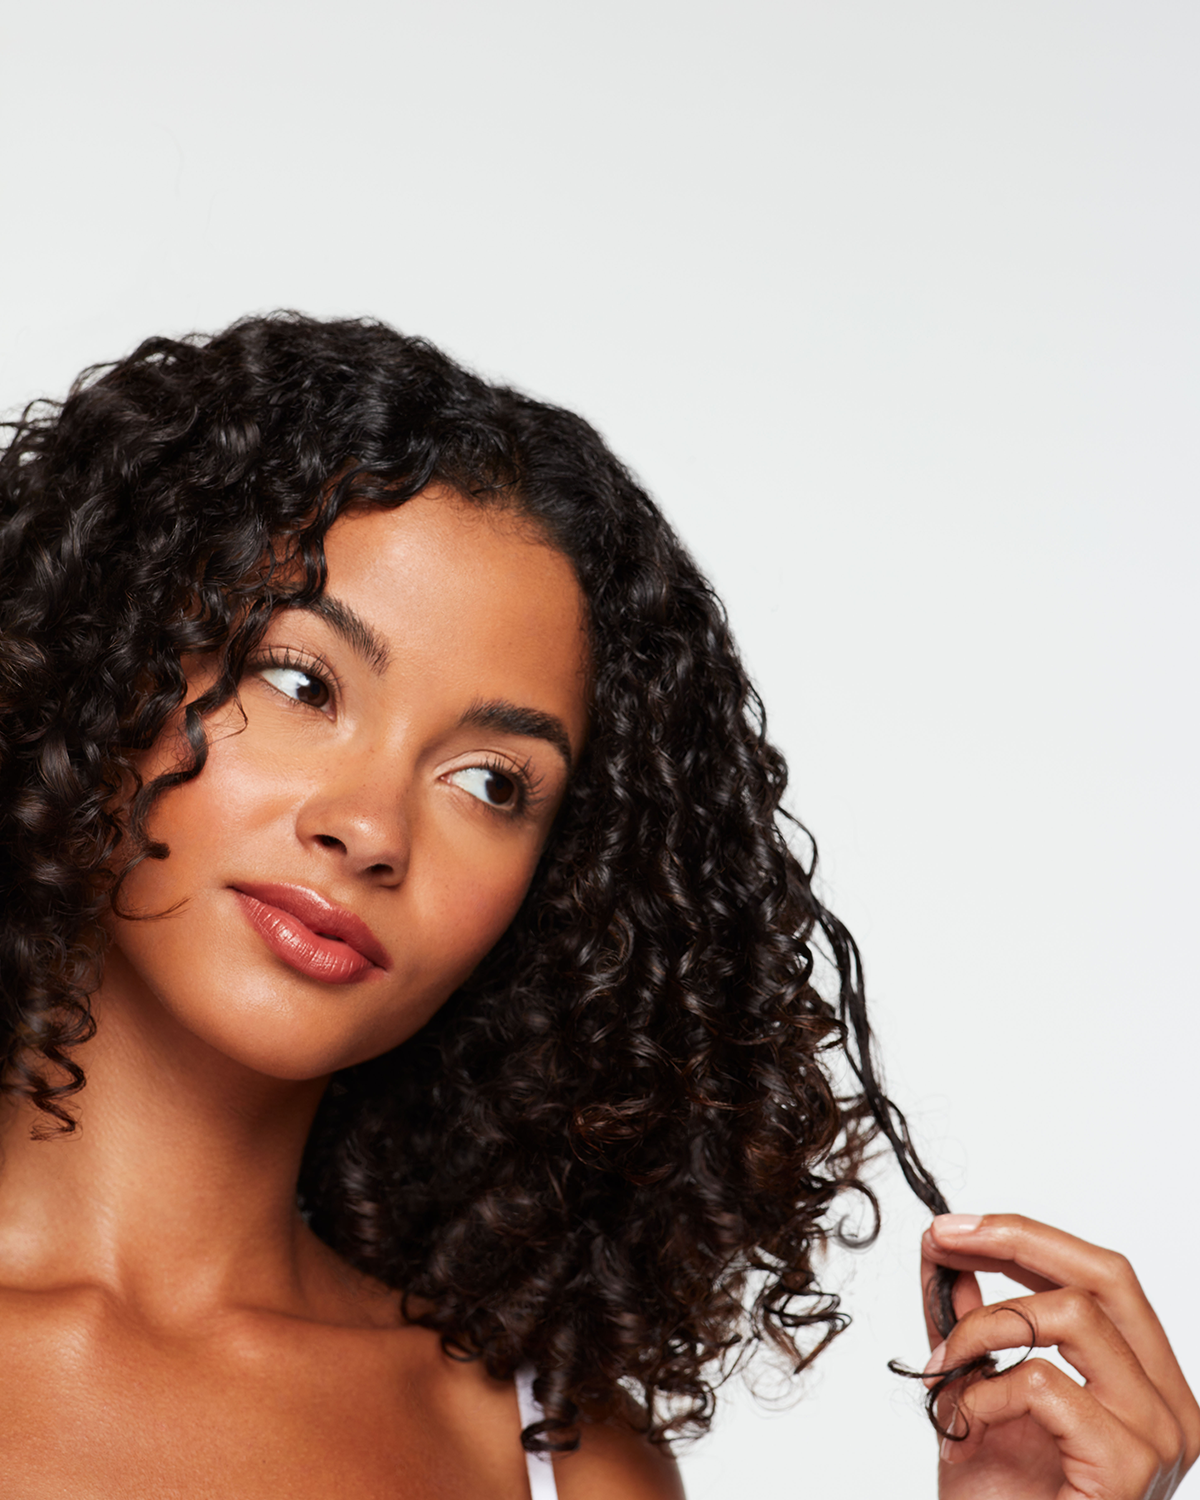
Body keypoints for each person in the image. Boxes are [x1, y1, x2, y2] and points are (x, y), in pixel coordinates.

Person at [0, 312, 1194, 1499]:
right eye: (303, 680)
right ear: (99, 660)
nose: (370, 830)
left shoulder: (550, 1455)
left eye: (492, 783)